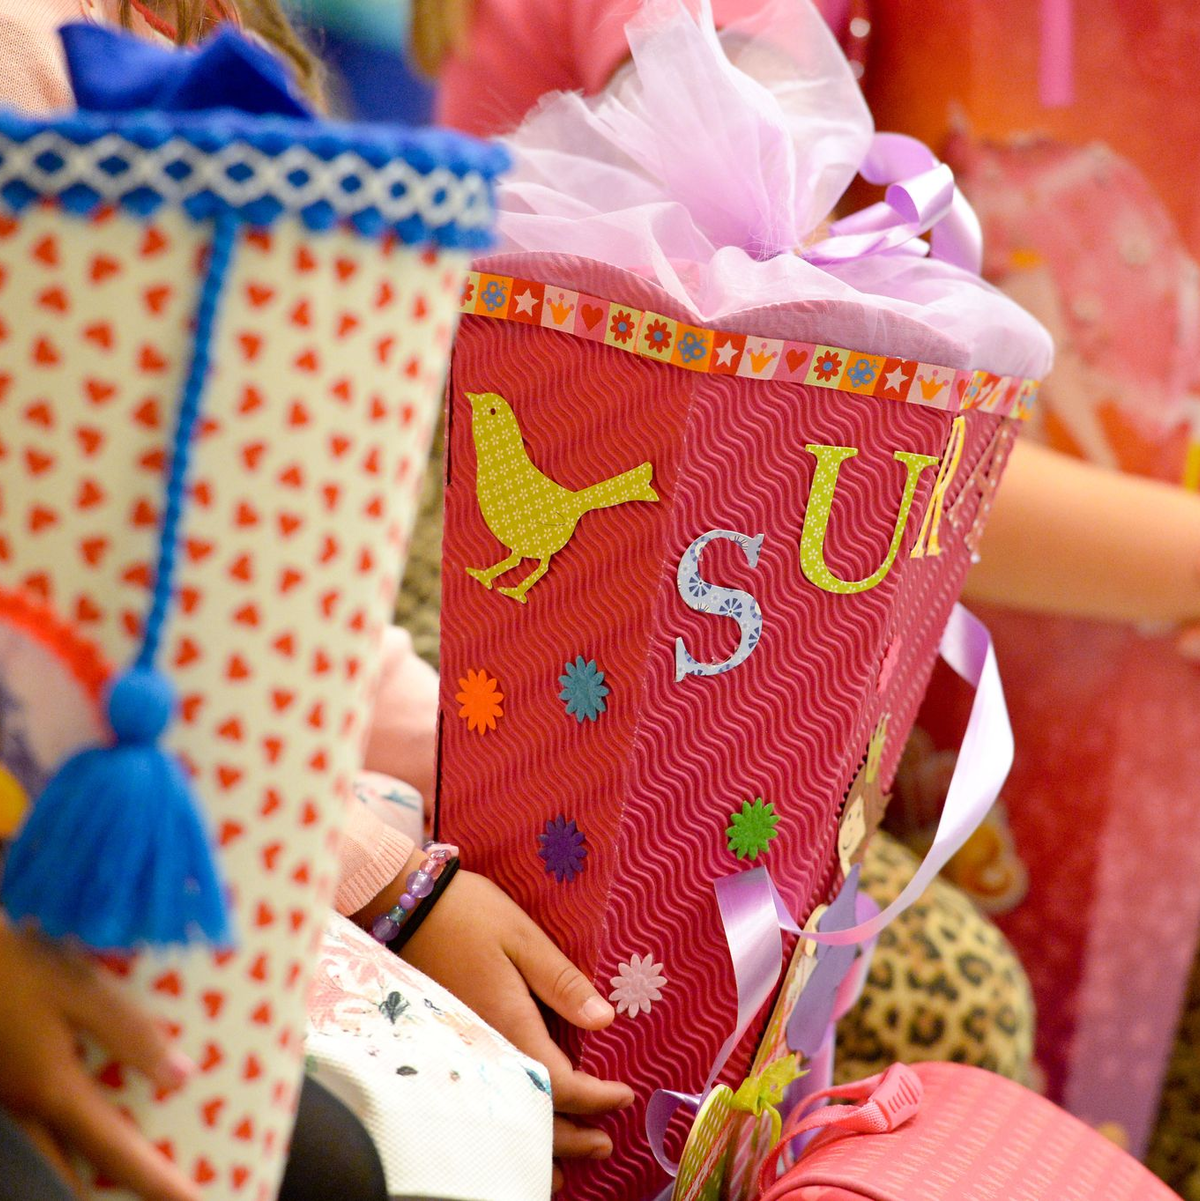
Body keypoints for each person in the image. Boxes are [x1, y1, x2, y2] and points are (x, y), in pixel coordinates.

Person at [0, 1, 631, 1196]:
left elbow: (296, 593)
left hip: (253, 784)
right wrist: (388, 881)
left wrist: (510, 778)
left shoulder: (210, 36)